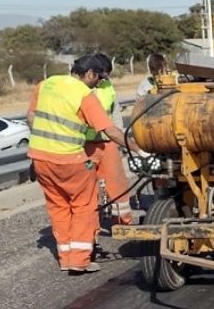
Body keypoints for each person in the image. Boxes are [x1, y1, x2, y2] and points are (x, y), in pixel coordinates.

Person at [27, 54, 140, 274]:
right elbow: (110, 130)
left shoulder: (46, 84)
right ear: (89, 74)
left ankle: (66, 258)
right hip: (69, 159)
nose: (99, 83)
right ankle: (79, 260)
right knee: (84, 207)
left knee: (58, 207)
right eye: (98, 78)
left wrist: (44, 140)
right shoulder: (83, 94)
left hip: (40, 157)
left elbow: (31, 116)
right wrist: (138, 148)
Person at [86, 53, 134, 227]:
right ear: (91, 72)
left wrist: (121, 139)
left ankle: (123, 222)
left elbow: (115, 113)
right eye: (101, 75)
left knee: (118, 183)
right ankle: (91, 228)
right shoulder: (80, 88)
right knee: (88, 189)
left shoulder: (107, 86)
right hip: (85, 146)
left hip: (108, 142)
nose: (103, 80)